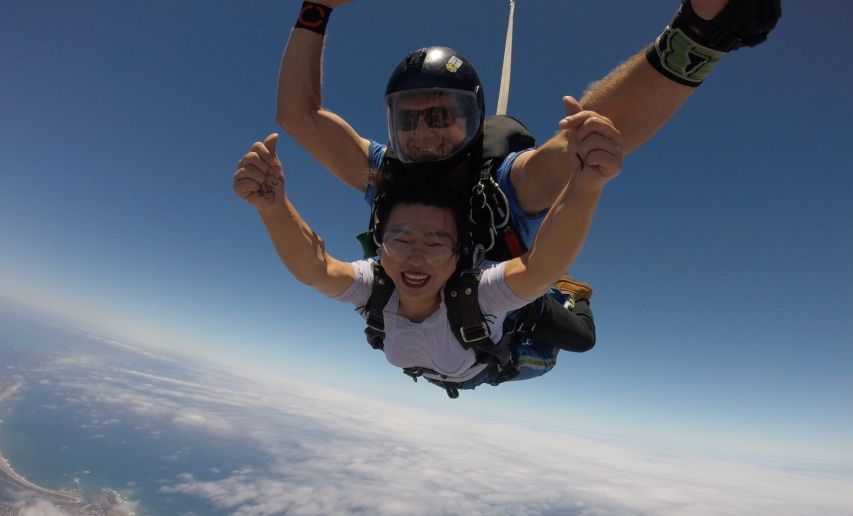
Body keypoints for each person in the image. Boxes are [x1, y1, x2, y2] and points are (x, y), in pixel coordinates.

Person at [274, 0, 780, 351]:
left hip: (504, 317)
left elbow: (586, 137)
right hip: (435, 322)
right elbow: (299, 118)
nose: (424, 134)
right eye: (409, 118)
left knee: (577, 338)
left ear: (472, 119)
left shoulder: (505, 187)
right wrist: (315, 10)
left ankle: (570, 292)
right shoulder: (384, 173)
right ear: (391, 122)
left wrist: (699, 33)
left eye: (440, 115)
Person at [233, 103, 623, 396]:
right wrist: (272, 206)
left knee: (579, 340)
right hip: (457, 369)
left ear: (459, 256)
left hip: (495, 357)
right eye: (401, 240)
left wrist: (585, 187)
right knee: (536, 287)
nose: (416, 257)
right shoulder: (377, 285)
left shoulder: (480, 294)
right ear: (380, 246)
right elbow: (315, 268)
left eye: (436, 243)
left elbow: (540, 267)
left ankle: (572, 294)